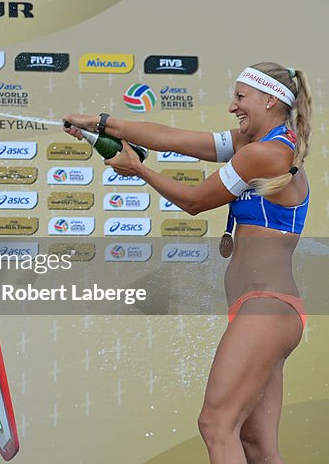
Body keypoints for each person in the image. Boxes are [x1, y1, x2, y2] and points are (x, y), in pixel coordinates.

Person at [63, 62, 310, 463]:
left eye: (240, 97)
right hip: (269, 309)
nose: (232, 107)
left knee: (216, 426)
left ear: (270, 100)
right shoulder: (260, 145)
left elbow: (195, 202)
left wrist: (140, 170)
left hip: (266, 307)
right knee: (258, 448)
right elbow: (173, 139)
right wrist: (101, 122)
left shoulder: (265, 153)